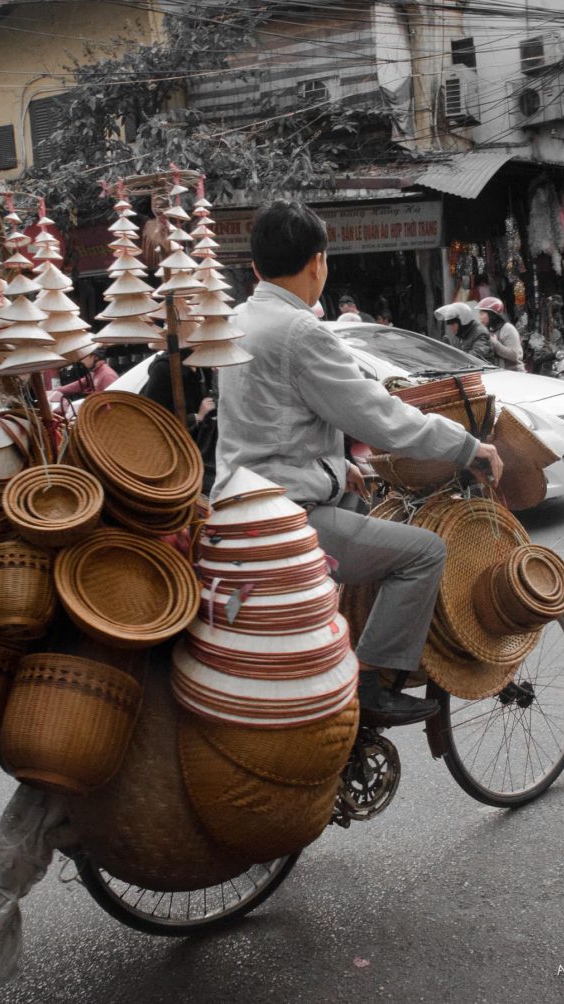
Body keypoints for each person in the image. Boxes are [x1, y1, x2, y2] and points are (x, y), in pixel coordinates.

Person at [214, 199, 502, 727]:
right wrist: (466, 446)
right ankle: (371, 683)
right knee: (423, 552)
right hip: (287, 517)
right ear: (319, 262)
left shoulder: (237, 321)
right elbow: (378, 416)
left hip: (238, 506)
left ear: (255, 268)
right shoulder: (300, 331)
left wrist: (334, 463)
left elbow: (271, 417)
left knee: (363, 519)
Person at [140, 349, 217, 490]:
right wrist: (196, 417)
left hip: (198, 447)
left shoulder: (202, 366)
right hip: (171, 452)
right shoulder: (164, 369)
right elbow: (153, 417)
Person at [53, 346, 118, 400]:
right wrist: (57, 390)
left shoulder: (107, 376)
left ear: (95, 357)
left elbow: (112, 402)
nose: (82, 361)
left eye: (84, 357)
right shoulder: (94, 372)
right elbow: (78, 384)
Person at [477, 296, 524, 371]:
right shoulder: (489, 330)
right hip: (498, 375)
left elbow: (515, 355)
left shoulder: (508, 329)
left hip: (514, 376)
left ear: (491, 314)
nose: (480, 317)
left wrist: (494, 343)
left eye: (482, 313)